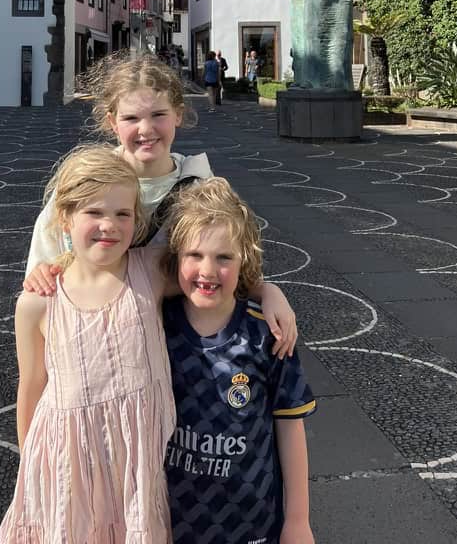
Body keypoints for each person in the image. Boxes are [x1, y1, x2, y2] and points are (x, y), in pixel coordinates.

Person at [22, 52, 297, 358]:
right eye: (131, 118)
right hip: (93, 347)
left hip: (179, 351)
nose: (145, 129)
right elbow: (45, 261)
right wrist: (42, 273)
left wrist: (268, 291)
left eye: (158, 115)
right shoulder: (87, 181)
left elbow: (230, 264)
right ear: (112, 122)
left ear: (178, 113)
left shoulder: (200, 187)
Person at [0, 146, 175, 542]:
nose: (109, 224)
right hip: (67, 465)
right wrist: (29, 470)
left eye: (122, 213)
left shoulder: (152, 271)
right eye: (94, 212)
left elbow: (212, 274)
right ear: (64, 218)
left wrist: (268, 292)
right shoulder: (36, 302)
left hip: (135, 462)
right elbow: (31, 387)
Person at [162, 178, 316, 544]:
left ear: (245, 258)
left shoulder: (268, 335)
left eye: (224, 257)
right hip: (172, 519)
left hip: (252, 522)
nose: (208, 270)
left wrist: (297, 522)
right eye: (194, 255)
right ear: (175, 256)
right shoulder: (156, 326)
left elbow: (291, 430)